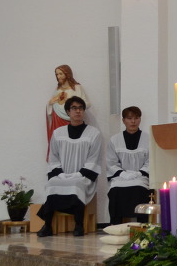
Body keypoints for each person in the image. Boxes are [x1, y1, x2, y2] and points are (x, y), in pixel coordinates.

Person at [37, 96, 101, 236]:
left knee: (76, 184)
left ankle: (79, 225)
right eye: (74, 108)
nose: (78, 111)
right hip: (62, 175)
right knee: (52, 183)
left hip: (83, 176)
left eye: (80, 108)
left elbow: (93, 159)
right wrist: (60, 174)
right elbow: (53, 157)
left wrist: (78, 174)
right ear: (67, 111)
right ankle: (47, 225)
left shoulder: (93, 133)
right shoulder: (58, 133)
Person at [105, 106, 151, 225]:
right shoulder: (115, 140)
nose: (133, 121)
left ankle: (142, 226)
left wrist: (139, 173)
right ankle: (115, 225)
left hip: (141, 177)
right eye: (129, 118)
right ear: (123, 120)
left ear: (140, 119)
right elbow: (111, 162)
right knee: (115, 190)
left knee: (140, 189)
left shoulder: (148, 139)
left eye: (136, 118)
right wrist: (123, 174)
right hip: (120, 178)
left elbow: (150, 161)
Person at [46, 65, 88, 144]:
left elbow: (86, 104)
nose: (58, 76)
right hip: (57, 120)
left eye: (60, 74)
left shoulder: (77, 88)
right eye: (57, 74)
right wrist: (50, 103)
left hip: (72, 120)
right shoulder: (57, 89)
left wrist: (74, 106)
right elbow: (51, 106)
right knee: (58, 142)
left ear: (67, 74)